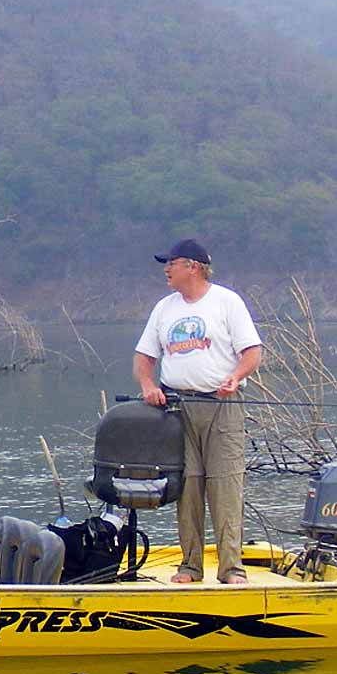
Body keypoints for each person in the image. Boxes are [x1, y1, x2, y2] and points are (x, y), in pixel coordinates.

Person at [132, 238, 263, 585]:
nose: (166, 269)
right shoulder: (164, 308)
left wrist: (235, 377)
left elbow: (252, 352)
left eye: (171, 263)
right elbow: (144, 358)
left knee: (225, 487)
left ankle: (231, 568)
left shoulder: (227, 302)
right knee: (187, 487)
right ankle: (190, 565)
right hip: (178, 408)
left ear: (192, 266)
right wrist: (149, 387)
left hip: (222, 406)